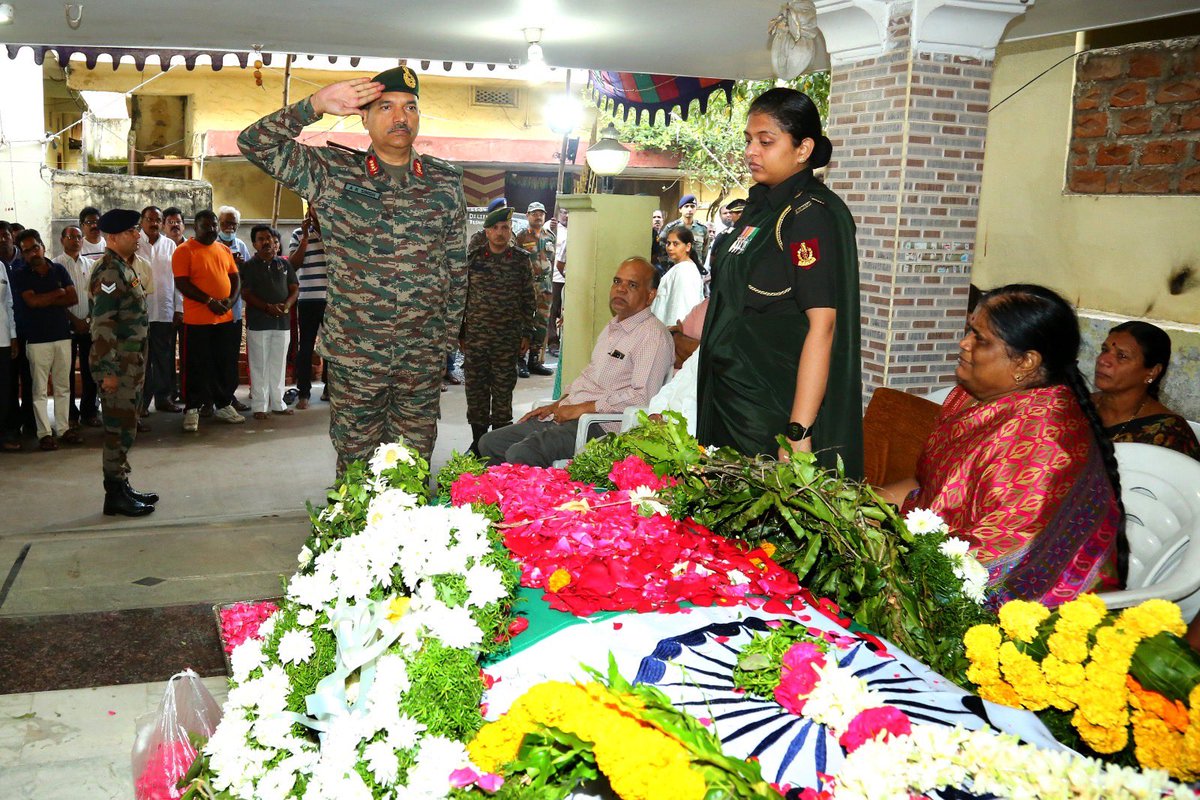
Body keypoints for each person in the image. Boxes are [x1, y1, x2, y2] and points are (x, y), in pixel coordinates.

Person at [238, 65, 467, 473]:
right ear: (363, 117)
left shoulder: (444, 182)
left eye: (410, 107)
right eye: (386, 107)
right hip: (356, 354)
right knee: (356, 464)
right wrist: (315, 105)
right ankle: (355, 535)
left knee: (412, 464)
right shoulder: (331, 173)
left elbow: (455, 268)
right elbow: (255, 144)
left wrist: (443, 343)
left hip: (422, 356)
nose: (401, 117)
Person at [880, 284, 1123, 607]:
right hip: (933, 555)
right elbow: (926, 488)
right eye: (969, 330)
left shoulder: (1044, 445)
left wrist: (888, 565)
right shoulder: (969, 399)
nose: (964, 344)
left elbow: (993, 569)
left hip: (1021, 616)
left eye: (979, 339)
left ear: (1025, 363)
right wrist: (857, 507)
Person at [697, 88, 863, 474]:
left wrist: (798, 430)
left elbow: (823, 327)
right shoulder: (761, 210)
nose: (752, 151)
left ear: (803, 149)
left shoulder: (810, 215)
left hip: (769, 406)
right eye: (749, 141)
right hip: (727, 395)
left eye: (766, 141)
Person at [479, 256, 673, 467]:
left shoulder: (652, 336)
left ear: (650, 295)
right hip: (569, 414)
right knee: (490, 443)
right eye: (617, 282)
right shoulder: (614, 326)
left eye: (632, 285)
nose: (620, 289)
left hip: (600, 426)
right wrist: (558, 404)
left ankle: (533, 497)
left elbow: (643, 398)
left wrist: (582, 409)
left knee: (522, 453)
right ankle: (504, 496)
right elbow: (590, 378)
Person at [89, 209, 156, 517]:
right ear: (113, 237)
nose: (138, 234)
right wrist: (108, 373)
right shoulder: (108, 273)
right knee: (117, 429)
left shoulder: (124, 268)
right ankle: (114, 495)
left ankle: (122, 483)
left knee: (127, 426)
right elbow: (102, 327)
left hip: (132, 361)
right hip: (119, 366)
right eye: (132, 231)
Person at [462, 206, 535, 453]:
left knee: (503, 395)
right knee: (476, 393)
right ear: (486, 231)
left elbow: (529, 300)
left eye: (505, 227)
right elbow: (463, 298)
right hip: (476, 340)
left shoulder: (521, 261)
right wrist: (461, 333)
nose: (500, 233)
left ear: (510, 229)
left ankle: (498, 445)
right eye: (495, 228)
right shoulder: (473, 260)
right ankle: (478, 444)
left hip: (507, 340)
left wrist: (527, 333)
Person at [173, 209, 245, 431]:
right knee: (196, 366)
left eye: (214, 225)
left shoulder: (224, 250)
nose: (212, 229)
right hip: (197, 321)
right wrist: (209, 301)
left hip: (224, 319)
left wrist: (230, 302)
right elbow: (182, 283)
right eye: (207, 225)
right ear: (196, 227)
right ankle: (192, 409)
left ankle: (223, 404)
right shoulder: (184, 251)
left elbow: (236, 279)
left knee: (223, 364)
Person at [1093, 320, 1200, 459]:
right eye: (1104, 350)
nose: (1103, 360)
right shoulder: (1076, 405)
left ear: (1152, 372)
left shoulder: (1170, 433)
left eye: (1122, 356)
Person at [13, 230, 79, 450]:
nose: (33, 253)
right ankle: (44, 433)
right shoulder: (21, 274)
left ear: (42, 246)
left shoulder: (58, 269)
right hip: (37, 339)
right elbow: (32, 303)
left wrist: (48, 298)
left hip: (62, 336)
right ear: (22, 254)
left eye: (35, 247)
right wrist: (57, 293)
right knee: (39, 390)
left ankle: (63, 429)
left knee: (63, 386)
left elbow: (73, 298)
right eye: (27, 251)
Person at [241, 225, 299, 419]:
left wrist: (286, 306)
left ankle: (278, 403)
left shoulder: (284, 264)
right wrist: (267, 307)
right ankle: (259, 406)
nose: (267, 242)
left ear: (277, 244)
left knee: (278, 363)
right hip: (259, 323)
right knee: (259, 365)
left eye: (271, 239)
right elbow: (246, 293)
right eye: (261, 239)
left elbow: (294, 288)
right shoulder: (249, 266)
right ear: (254, 243)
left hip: (282, 323)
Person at [136, 206, 183, 416]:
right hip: (139, 313)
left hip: (165, 311)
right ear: (142, 221)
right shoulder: (135, 243)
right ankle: (142, 403)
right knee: (142, 360)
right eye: (150, 219)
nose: (154, 223)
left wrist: (179, 308)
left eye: (158, 220)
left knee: (164, 358)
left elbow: (177, 280)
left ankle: (164, 398)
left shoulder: (170, 245)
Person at [53, 225, 101, 429]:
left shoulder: (91, 265)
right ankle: (70, 415)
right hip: (66, 327)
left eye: (78, 237)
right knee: (66, 372)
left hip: (89, 326)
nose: (75, 240)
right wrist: (74, 320)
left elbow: (97, 294)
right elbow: (57, 298)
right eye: (70, 237)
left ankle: (89, 411)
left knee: (91, 371)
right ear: (62, 240)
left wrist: (88, 319)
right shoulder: (55, 266)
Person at [288, 207, 329, 409]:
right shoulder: (298, 233)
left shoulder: (336, 232)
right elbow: (293, 265)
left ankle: (330, 389)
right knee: (305, 347)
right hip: (308, 298)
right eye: (315, 205)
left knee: (333, 346)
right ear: (309, 209)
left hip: (333, 299)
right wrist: (305, 237)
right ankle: (303, 392)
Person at [514, 201, 556, 377]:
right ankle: (520, 360)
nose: (538, 216)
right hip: (527, 287)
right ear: (527, 216)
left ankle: (534, 360)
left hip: (545, 287)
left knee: (541, 324)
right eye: (534, 213)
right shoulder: (521, 237)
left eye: (541, 213)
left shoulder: (550, 237)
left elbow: (552, 261)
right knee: (525, 324)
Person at [216, 206, 250, 413]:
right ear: (219, 223)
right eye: (226, 223)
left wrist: (239, 266)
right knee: (214, 357)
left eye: (233, 224)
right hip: (214, 311)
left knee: (230, 357)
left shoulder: (241, 245)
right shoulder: (213, 245)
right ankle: (213, 399)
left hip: (235, 311)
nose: (229, 227)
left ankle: (229, 398)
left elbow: (245, 275)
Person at [650, 225, 706, 327]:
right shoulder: (680, 268)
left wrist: (675, 333)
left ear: (688, 246)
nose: (670, 248)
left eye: (676, 244)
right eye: (668, 243)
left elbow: (681, 309)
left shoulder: (685, 271)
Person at [659, 194, 709, 266]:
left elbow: (704, 252)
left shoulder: (702, 229)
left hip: (694, 269)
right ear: (680, 209)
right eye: (686, 206)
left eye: (692, 206)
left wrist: (699, 265)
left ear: (696, 209)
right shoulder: (671, 228)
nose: (689, 209)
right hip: (675, 268)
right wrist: (666, 265)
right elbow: (661, 247)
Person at [706, 198, 745, 281]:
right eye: (737, 212)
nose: (740, 215)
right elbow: (713, 261)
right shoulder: (723, 235)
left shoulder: (754, 231)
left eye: (743, 212)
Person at [547, 207, 568, 356]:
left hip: (570, 278)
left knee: (565, 311)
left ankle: (565, 341)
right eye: (563, 212)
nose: (566, 215)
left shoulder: (577, 227)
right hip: (555, 276)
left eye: (568, 212)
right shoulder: (550, 226)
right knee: (552, 310)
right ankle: (553, 342)